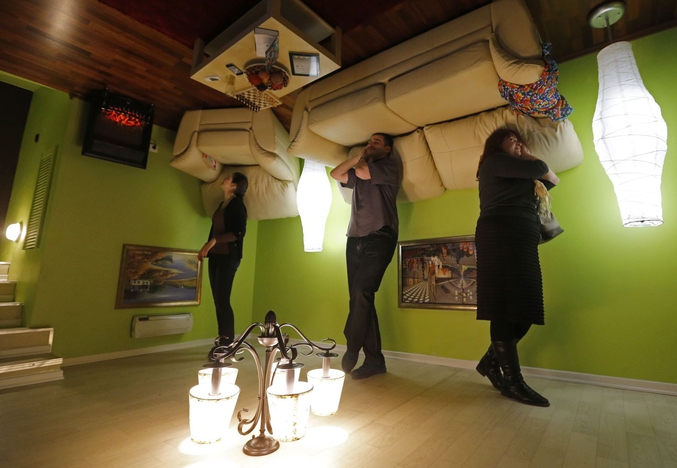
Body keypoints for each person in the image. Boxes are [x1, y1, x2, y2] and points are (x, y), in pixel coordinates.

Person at [474, 128, 559, 407]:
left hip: (522, 236)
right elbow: (543, 167)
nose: (518, 144)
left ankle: (490, 362)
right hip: (500, 233)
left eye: (519, 140)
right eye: (511, 140)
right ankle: (513, 382)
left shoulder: (521, 173)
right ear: (496, 145)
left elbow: (552, 179)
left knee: (527, 306)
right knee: (504, 305)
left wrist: (524, 155)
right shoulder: (494, 162)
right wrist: (527, 156)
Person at [330, 133, 400, 380]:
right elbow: (336, 174)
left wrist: (362, 158)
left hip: (380, 235)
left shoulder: (389, 166)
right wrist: (359, 154)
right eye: (369, 141)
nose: (370, 144)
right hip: (354, 239)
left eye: (376, 142)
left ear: (388, 149)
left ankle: (352, 346)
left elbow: (360, 172)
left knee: (361, 292)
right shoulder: (362, 165)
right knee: (360, 300)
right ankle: (374, 361)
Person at [198, 172, 248, 347]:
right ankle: (223, 339)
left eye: (228, 178)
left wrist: (213, 241)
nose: (224, 179)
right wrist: (207, 247)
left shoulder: (238, 205)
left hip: (228, 257)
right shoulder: (222, 205)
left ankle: (228, 341)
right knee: (217, 299)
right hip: (216, 256)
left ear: (234, 186)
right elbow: (215, 231)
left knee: (222, 299)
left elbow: (238, 233)